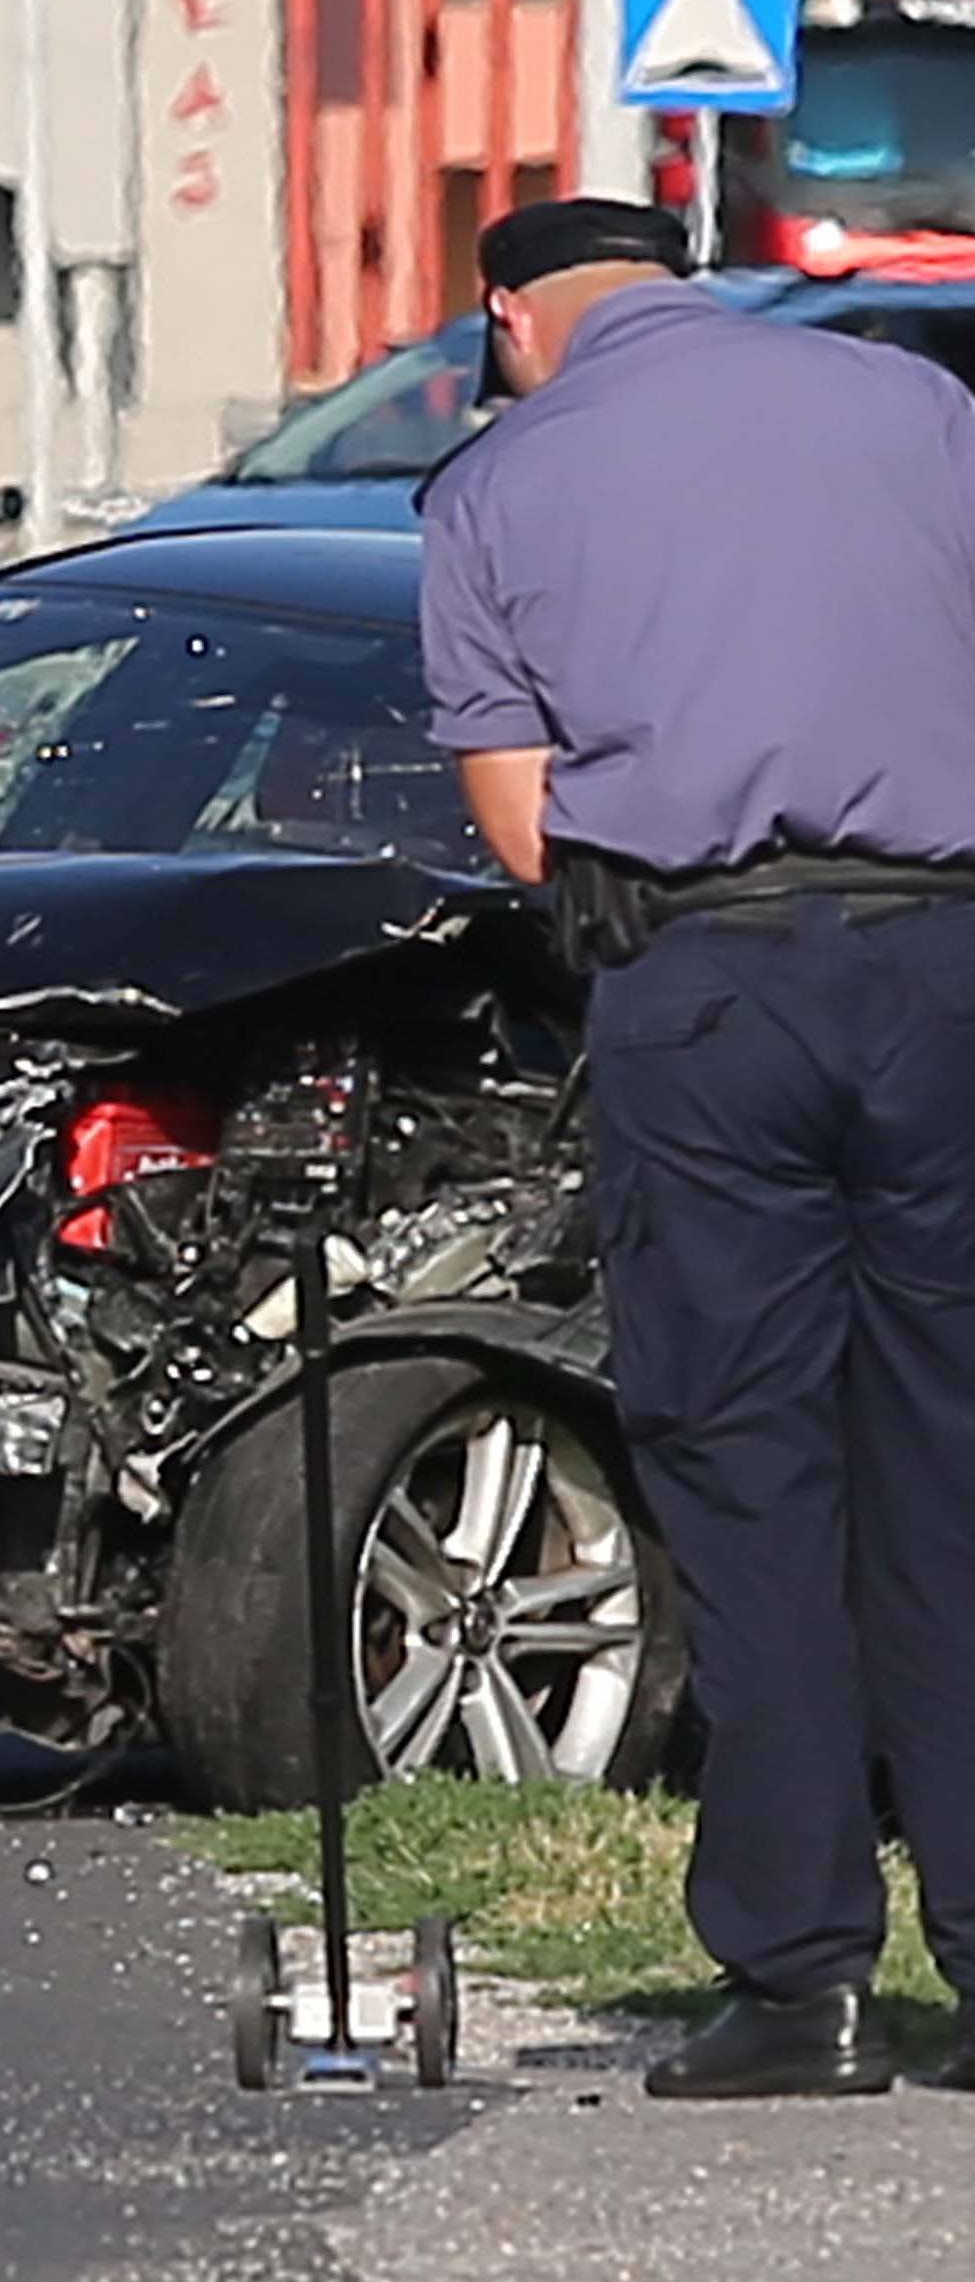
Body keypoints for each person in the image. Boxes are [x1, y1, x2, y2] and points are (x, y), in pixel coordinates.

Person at [421, 195, 975, 2103]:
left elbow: (519, 835)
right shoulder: (914, 409)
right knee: (953, 1458)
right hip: (946, 971)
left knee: (750, 1478)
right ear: (681, 273)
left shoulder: (499, 489)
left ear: (514, 320)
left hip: (704, 991)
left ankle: (802, 1981)